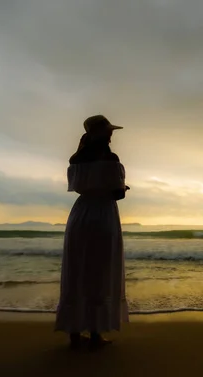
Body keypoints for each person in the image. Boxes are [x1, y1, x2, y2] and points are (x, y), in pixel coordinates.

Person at [55, 114, 129, 350]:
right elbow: (117, 193)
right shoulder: (111, 158)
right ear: (100, 133)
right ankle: (96, 335)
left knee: (78, 271)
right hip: (103, 215)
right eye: (108, 131)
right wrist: (122, 186)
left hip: (80, 215)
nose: (111, 134)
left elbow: (77, 187)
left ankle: (74, 335)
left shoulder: (76, 159)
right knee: (100, 272)